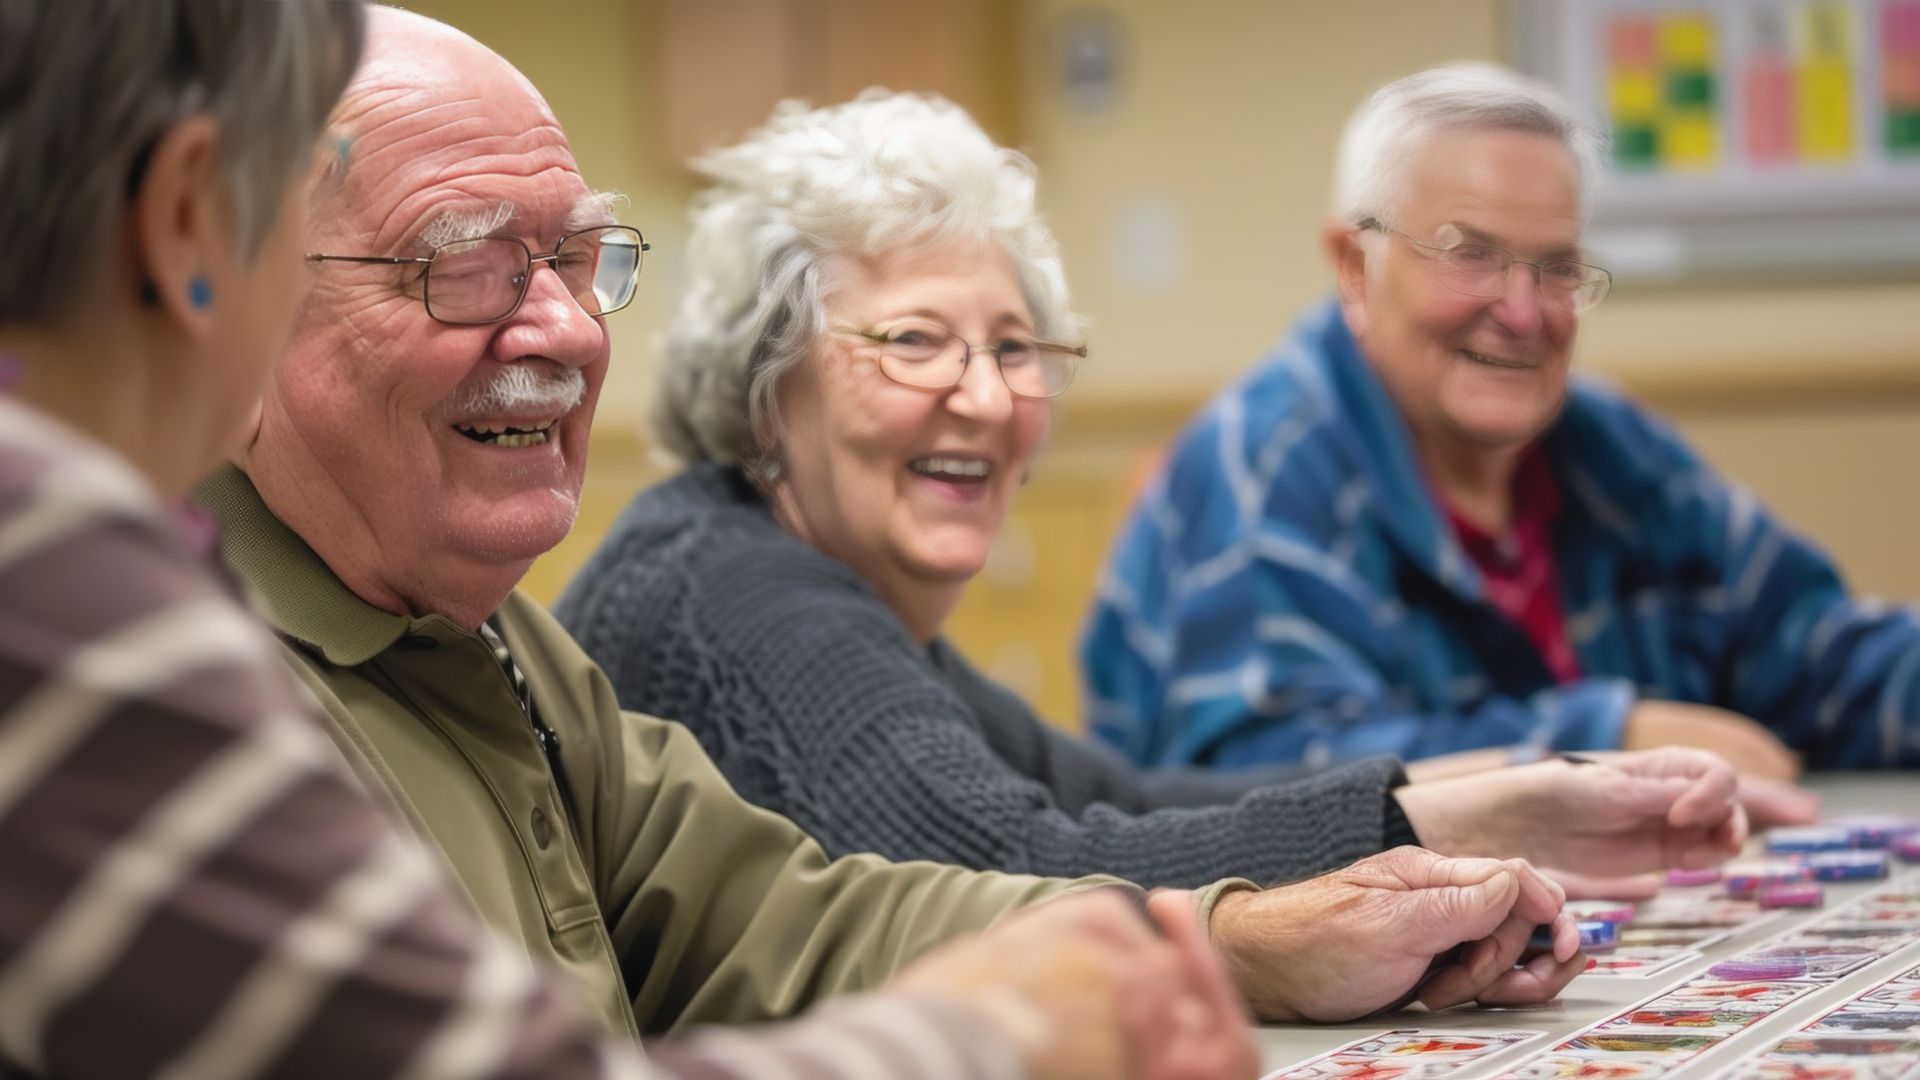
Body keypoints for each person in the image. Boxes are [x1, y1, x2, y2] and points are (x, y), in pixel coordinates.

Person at [0, 3, 1263, 1079]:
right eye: (467, 263)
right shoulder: (93, 593)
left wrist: (1240, 930)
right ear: (186, 229)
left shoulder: (492, 636)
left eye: (575, 258)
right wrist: (1004, 1027)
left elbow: (779, 919)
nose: (562, 326)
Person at [554, 88, 1747, 904]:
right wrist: (1473, 828)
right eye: (916, 341)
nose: (983, 397)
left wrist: (1515, 786)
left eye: (1017, 349)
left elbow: (1120, 797)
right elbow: (1024, 868)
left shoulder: (833, 592)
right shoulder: (737, 593)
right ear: (770, 389)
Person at [1081, 64, 1913, 800]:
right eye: (1467, 253)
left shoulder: (1612, 452)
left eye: (1557, 268)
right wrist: (1605, 740)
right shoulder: (1263, 468)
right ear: (1352, 268)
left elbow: (1820, 654)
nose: (1523, 313)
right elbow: (1274, 785)